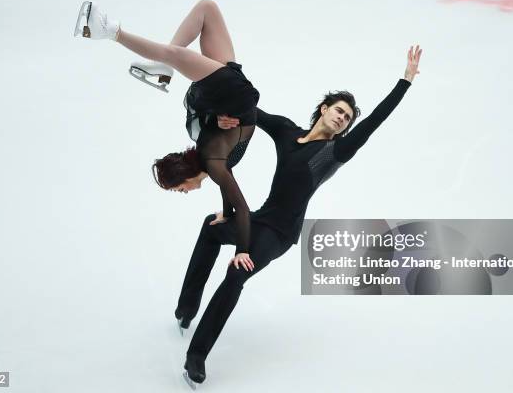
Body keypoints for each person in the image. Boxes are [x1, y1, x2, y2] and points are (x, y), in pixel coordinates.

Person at [177, 46, 423, 388]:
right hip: (259, 218)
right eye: (339, 111)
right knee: (211, 226)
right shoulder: (287, 132)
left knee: (236, 274)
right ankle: (186, 308)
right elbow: (250, 110)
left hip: (277, 235)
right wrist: (222, 114)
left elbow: (375, 122)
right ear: (323, 110)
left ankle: (196, 357)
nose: (342, 118)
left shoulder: (334, 151)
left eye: (347, 118)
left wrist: (405, 80)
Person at [73, 0, 260, 268]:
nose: (182, 192)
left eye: (178, 188)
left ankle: (109, 30)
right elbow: (229, 193)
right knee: (206, 9)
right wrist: (225, 214)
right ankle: (162, 68)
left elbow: (242, 207)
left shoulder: (213, 162)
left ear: (185, 175)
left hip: (233, 92)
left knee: (172, 51)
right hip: (232, 90)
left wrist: (242, 251)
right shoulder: (210, 159)